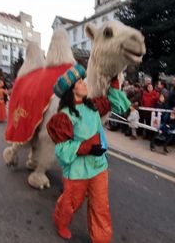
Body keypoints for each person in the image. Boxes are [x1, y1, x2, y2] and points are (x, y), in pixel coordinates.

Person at [46, 64, 130, 242]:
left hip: (99, 167)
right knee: (70, 204)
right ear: (71, 90)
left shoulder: (93, 105)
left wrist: (115, 82)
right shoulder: (64, 116)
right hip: (77, 171)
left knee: (100, 206)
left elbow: (115, 103)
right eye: (80, 82)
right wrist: (87, 148)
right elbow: (62, 150)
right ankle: (60, 221)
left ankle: (101, 239)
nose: (85, 84)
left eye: (83, 81)